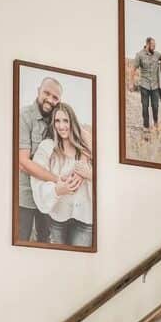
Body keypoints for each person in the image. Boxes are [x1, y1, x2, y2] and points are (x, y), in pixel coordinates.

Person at [30, 103, 93, 248]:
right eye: (57, 121)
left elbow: (106, 177)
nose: (61, 126)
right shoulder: (47, 147)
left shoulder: (86, 149)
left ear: (73, 122)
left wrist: (89, 175)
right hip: (58, 218)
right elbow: (37, 179)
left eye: (66, 120)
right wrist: (58, 190)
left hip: (85, 219)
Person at [17, 76, 64, 243]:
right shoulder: (24, 116)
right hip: (26, 195)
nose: (50, 100)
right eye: (47, 93)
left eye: (55, 97)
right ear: (38, 91)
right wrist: (57, 179)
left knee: (45, 241)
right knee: (22, 240)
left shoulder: (57, 122)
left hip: (47, 196)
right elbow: (23, 162)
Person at [131, 37, 160, 133]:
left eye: (155, 45)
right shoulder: (139, 55)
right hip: (144, 85)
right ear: (147, 44)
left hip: (155, 86)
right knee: (145, 106)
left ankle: (156, 124)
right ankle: (146, 126)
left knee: (155, 106)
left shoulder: (157, 54)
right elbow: (133, 69)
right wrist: (132, 83)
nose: (154, 47)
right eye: (153, 45)